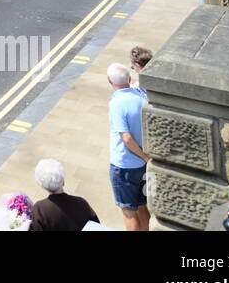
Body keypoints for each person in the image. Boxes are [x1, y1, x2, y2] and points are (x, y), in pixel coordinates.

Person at [107, 63, 151, 231]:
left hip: (123, 166)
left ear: (109, 80)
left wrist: (143, 156)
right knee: (141, 206)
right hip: (141, 167)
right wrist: (145, 159)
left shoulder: (117, 103)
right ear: (130, 79)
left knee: (128, 212)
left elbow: (126, 137)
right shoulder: (141, 98)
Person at [29, 159, 100, 231]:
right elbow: (97, 226)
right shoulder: (81, 202)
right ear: (63, 181)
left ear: (42, 186)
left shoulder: (40, 209)